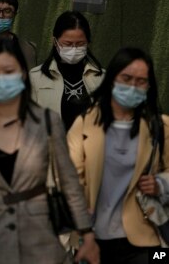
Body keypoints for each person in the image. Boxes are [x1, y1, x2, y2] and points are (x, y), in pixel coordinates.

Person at [0, 37, 99, 264]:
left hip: (40, 237)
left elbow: (69, 181)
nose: (2, 79)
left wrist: (86, 233)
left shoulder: (46, 122)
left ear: (23, 73)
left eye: (9, 71)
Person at [68, 47, 169, 264]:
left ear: (149, 85)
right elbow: (67, 175)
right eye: (126, 78)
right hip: (92, 236)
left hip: (144, 238)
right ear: (112, 78)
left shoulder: (160, 126)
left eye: (141, 81)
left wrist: (160, 183)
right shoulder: (85, 123)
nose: (133, 86)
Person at [30, 11, 104, 130]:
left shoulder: (102, 78)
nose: (74, 49)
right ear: (55, 42)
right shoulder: (35, 78)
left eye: (80, 44)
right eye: (68, 44)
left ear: (88, 43)